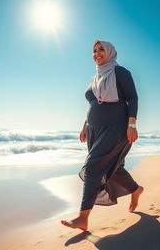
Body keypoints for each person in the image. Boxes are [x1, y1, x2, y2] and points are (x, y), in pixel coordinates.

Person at [61, 40, 144, 231]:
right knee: (111, 169)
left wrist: (132, 124)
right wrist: (85, 125)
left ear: (110, 53)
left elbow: (132, 97)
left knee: (93, 167)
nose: (97, 53)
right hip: (94, 130)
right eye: (94, 51)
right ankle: (136, 189)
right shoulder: (95, 78)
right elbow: (92, 105)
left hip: (115, 127)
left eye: (101, 50)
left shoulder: (120, 72)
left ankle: (83, 217)